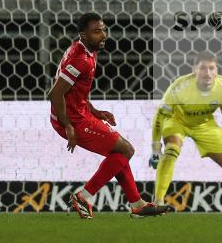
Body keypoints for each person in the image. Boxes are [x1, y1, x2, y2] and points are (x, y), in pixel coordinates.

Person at [48, 12, 169, 219]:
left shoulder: (86, 51)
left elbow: (76, 91)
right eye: (96, 31)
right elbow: (56, 93)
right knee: (126, 149)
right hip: (71, 119)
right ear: (83, 35)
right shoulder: (81, 59)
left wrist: (95, 111)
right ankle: (84, 196)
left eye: (103, 30)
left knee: (120, 154)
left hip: (79, 113)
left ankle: (137, 204)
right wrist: (68, 126)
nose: (103, 35)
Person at [150, 52, 222, 214]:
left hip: (204, 124)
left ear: (217, 70)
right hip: (177, 120)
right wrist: (156, 148)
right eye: (203, 68)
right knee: (171, 151)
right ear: (195, 70)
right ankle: (157, 203)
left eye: (211, 68)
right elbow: (160, 116)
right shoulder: (180, 87)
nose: (207, 73)